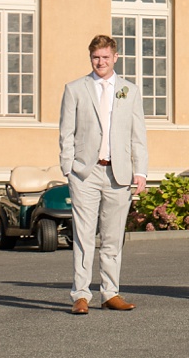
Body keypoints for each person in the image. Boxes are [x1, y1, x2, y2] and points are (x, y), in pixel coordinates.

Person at [59, 34, 148, 314]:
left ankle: (110, 292)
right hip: (86, 173)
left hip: (119, 175)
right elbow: (66, 133)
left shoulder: (129, 91)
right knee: (84, 237)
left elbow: (138, 136)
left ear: (115, 57)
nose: (101, 62)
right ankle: (81, 295)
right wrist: (69, 169)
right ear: (91, 58)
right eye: (96, 57)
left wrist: (141, 171)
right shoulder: (75, 89)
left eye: (106, 57)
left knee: (112, 238)